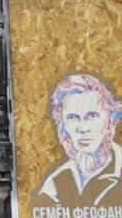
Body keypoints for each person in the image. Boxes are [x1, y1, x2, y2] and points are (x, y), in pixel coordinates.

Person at [36, 72, 122, 207]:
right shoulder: (54, 186)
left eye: (91, 116)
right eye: (73, 118)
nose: (82, 128)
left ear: (110, 120)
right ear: (62, 125)